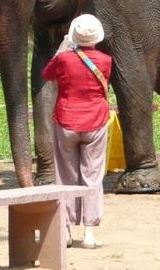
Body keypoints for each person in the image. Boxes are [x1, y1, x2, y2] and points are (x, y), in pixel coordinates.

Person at [41, 14, 112, 250]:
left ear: (73, 35)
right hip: (95, 120)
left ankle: (67, 231)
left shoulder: (63, 60)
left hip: (66, 121)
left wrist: (63, 48)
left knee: (66, 176)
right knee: (92, 176)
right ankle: (89, 234)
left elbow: (47, 75)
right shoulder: (105, 61)